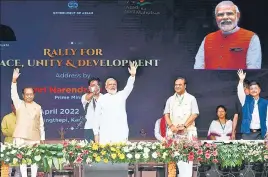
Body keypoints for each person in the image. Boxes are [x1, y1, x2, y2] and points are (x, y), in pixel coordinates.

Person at [194, 1, 262, 70]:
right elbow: (198, 68)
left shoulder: (251, 38)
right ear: (216, 18)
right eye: (220, 15)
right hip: (209, 80)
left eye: (229, 13)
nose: (225, 17)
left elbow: (253, 71)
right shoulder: (207, 39)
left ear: (237, 15)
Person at [11, 68, 45, 177]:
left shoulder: (38, 107)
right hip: (21, 136)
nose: (29, 96)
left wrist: (42, 139)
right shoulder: (19, 104)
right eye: (27, 94)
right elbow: (13, 94)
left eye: (31, 94)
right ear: (23, 95)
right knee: (23, 160)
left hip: (34, 137)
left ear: (34, 95)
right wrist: (14, 81)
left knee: (34, 159)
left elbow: (41, 124)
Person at [93, 61, 138, 144]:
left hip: (120, 132)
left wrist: (132, 75)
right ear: (106, 87)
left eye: (114, 84)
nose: (113, 86)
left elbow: (129, 87)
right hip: (105, 134)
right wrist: (96, 134)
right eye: (110, 84)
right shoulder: (101, 99)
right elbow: (96, 118)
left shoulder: (121, 95)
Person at [164, 77, 199, 177]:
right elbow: (166, 114)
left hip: (188, 132)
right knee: (173, 161)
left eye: (180, 85)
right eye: (176, 85)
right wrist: (171, 126)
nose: (177, 86)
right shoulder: (170, 99)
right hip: (173, 133)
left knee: (187, 161)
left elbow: (194, 114)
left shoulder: (191, 98)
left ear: (185, 86)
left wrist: (184, 126)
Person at [237, 69, 268, 140]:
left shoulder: (265, 102)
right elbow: (240, 92)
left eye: (255, 88)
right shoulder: (245, 100)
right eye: (251, 89)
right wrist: (241, 80)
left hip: (261, 133)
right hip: (247, 133)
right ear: (249, 91)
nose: (254, 90)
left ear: (259, 90)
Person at [1, 102, 21, 177]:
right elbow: (3, 130)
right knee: (8, 168)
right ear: (12, 106)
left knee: (18, 169)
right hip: (8, 145)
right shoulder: (6, 118)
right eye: (15, 105)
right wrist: (15, 133)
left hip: (20, 145)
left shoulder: (23, 118)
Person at [81, 77, 102, 142]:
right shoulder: (85, 96)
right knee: (89, 150)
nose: (95, 87)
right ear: (89, 88)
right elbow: (87, 98)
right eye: (93, 85)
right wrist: (93, 93)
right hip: (89, 128)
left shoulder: (104, 97)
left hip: (102, 128)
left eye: (97, 85)